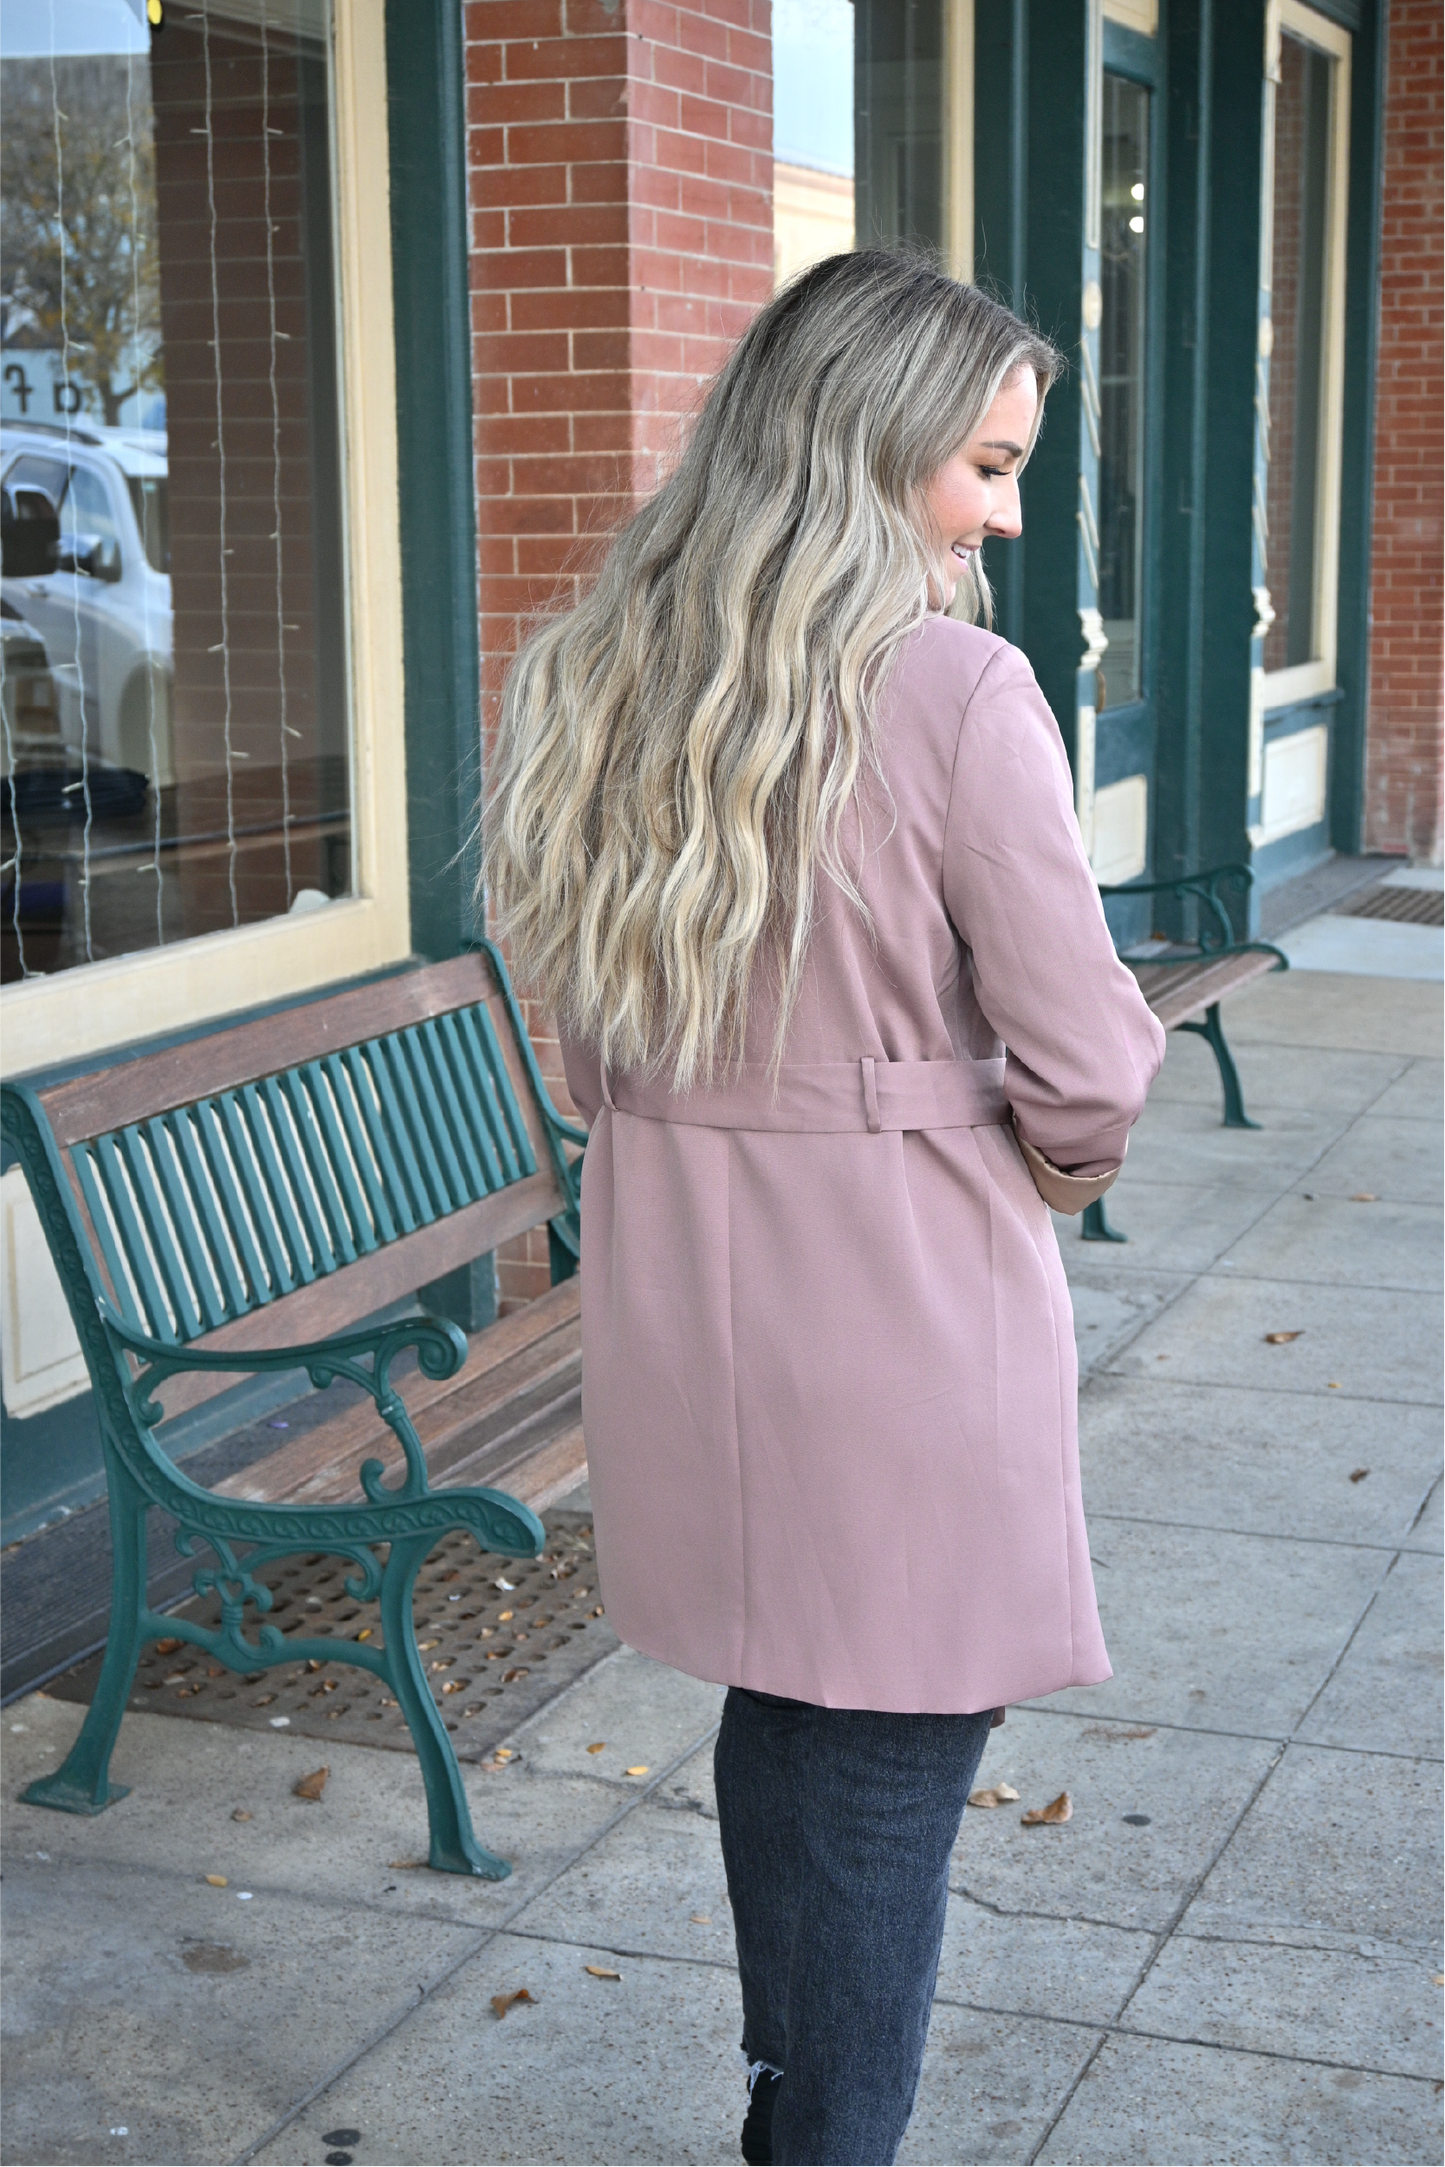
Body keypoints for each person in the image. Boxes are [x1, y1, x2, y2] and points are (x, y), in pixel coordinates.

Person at [484, 250, 1166, 2167]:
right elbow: (1090, 1062)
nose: (1009, 511)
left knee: (795, 1701)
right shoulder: (953, 687)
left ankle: (796, 2096)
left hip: (688, 1305)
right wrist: (1057, 1167)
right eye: (984, 465)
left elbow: (589, 1031)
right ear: (866, 444)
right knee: (889, 1743)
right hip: (895, 1302)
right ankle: (825, 2137)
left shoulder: (600, 661)